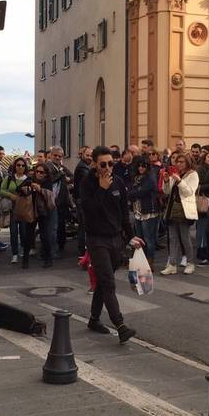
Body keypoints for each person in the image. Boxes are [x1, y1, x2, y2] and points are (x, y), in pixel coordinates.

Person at [79, 146, 143, 343]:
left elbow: (124, 212)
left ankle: (94, 319)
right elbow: (88, 211)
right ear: (95, 165)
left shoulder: (119, 182)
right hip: (97, 239)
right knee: (108, 282)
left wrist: (131, 236)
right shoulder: (87, 183)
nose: (107, 168)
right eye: (103, 164)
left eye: (110, 163)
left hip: (116, 238)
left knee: (102, 281)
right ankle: (120, 325)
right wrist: (102, 189)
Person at [160, 152, 198, 275]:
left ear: (188, 163)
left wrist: (180, 181)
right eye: (177, 162)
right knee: (172, 238)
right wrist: (166, 181)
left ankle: (190, 263)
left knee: (185, 238)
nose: (179, 164)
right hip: (172, 209)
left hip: (184, 210)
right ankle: (172, 264)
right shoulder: (175, 174)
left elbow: (189, 192)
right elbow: (166, 191)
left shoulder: (193, 175)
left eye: (182, 162)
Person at [128, 156, 162, 265]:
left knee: (148, 239)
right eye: (139, 165)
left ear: (147, 167)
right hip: (137, 211)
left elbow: (141, 192)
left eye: (144, 166)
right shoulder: (135, 178)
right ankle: (140, 261)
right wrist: (134, 192)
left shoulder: (150, 178)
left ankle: (149, 262)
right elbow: (131, 192)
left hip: (148, 212)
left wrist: (134, 192)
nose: (141, 168)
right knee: (139, 238)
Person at [1, 158, 32, 265]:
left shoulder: (28, 179)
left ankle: (23, 249)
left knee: (23, 231)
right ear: (15, 166)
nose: (20, 167)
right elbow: (1, 190)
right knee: (13, 232)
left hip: (23, 208)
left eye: (23, 165)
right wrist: (11, 196)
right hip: (12, 208)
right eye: (18, 165)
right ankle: (14, 254)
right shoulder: (9, 178)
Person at [73, 146, 93, 257]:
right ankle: (84, 252)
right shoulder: (83, 167)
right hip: (82, 201)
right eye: (87, 155)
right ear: (82, 155)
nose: (89, 157)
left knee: (82, 226)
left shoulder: (84, 166)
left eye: (91, 155)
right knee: (85, 226)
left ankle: (83, 251)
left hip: (81, 200)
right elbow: (89, 180)